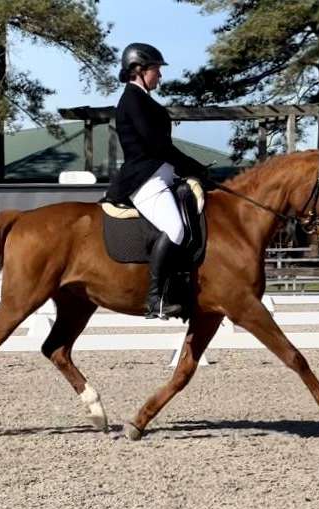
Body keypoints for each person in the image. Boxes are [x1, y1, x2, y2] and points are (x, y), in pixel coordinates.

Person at [106, 42, 208, 319]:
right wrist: (193, 166)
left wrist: (190, 171)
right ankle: (155, 299)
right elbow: (157, 145)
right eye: (156, 70)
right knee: (175, 229)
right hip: (145, 179)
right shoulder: (132, 100)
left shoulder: (144, 99)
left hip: (163, 176)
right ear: (138, 70)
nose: (159, 76)